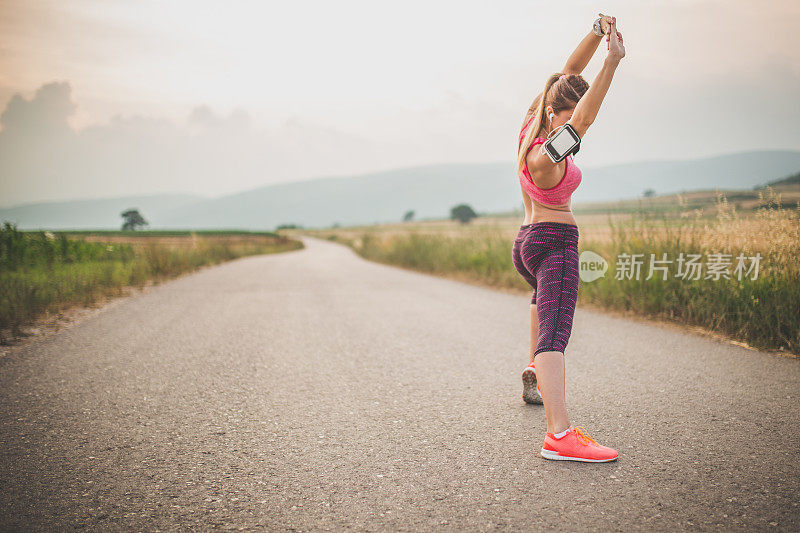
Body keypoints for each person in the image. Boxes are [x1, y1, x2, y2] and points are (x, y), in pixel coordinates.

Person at [511, 15, 625, 462]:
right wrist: (613, 62)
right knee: (555, 336)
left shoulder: (529, 126)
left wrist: (596, 35)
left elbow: (568, 74)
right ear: (556, 114)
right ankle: (558, 435)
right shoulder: (547, 152)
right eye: (567, 116)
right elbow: (588, 116)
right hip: (553, 243)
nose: (571, 124)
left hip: (527, 240)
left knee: (543, 305)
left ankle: (533, 369)